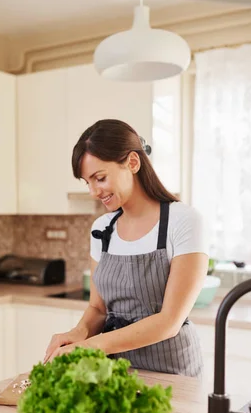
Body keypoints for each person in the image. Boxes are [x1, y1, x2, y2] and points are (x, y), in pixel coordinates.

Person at [44, 119, 208, 377]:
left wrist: (88, 347)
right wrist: (78, 333)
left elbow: (169, 322)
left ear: (132, 162)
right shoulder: (102, 229)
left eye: (99, 178)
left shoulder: (183, 221)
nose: (93, 192)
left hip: (172, 373)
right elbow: (98, 309)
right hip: (113, 370)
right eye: (87, 182)